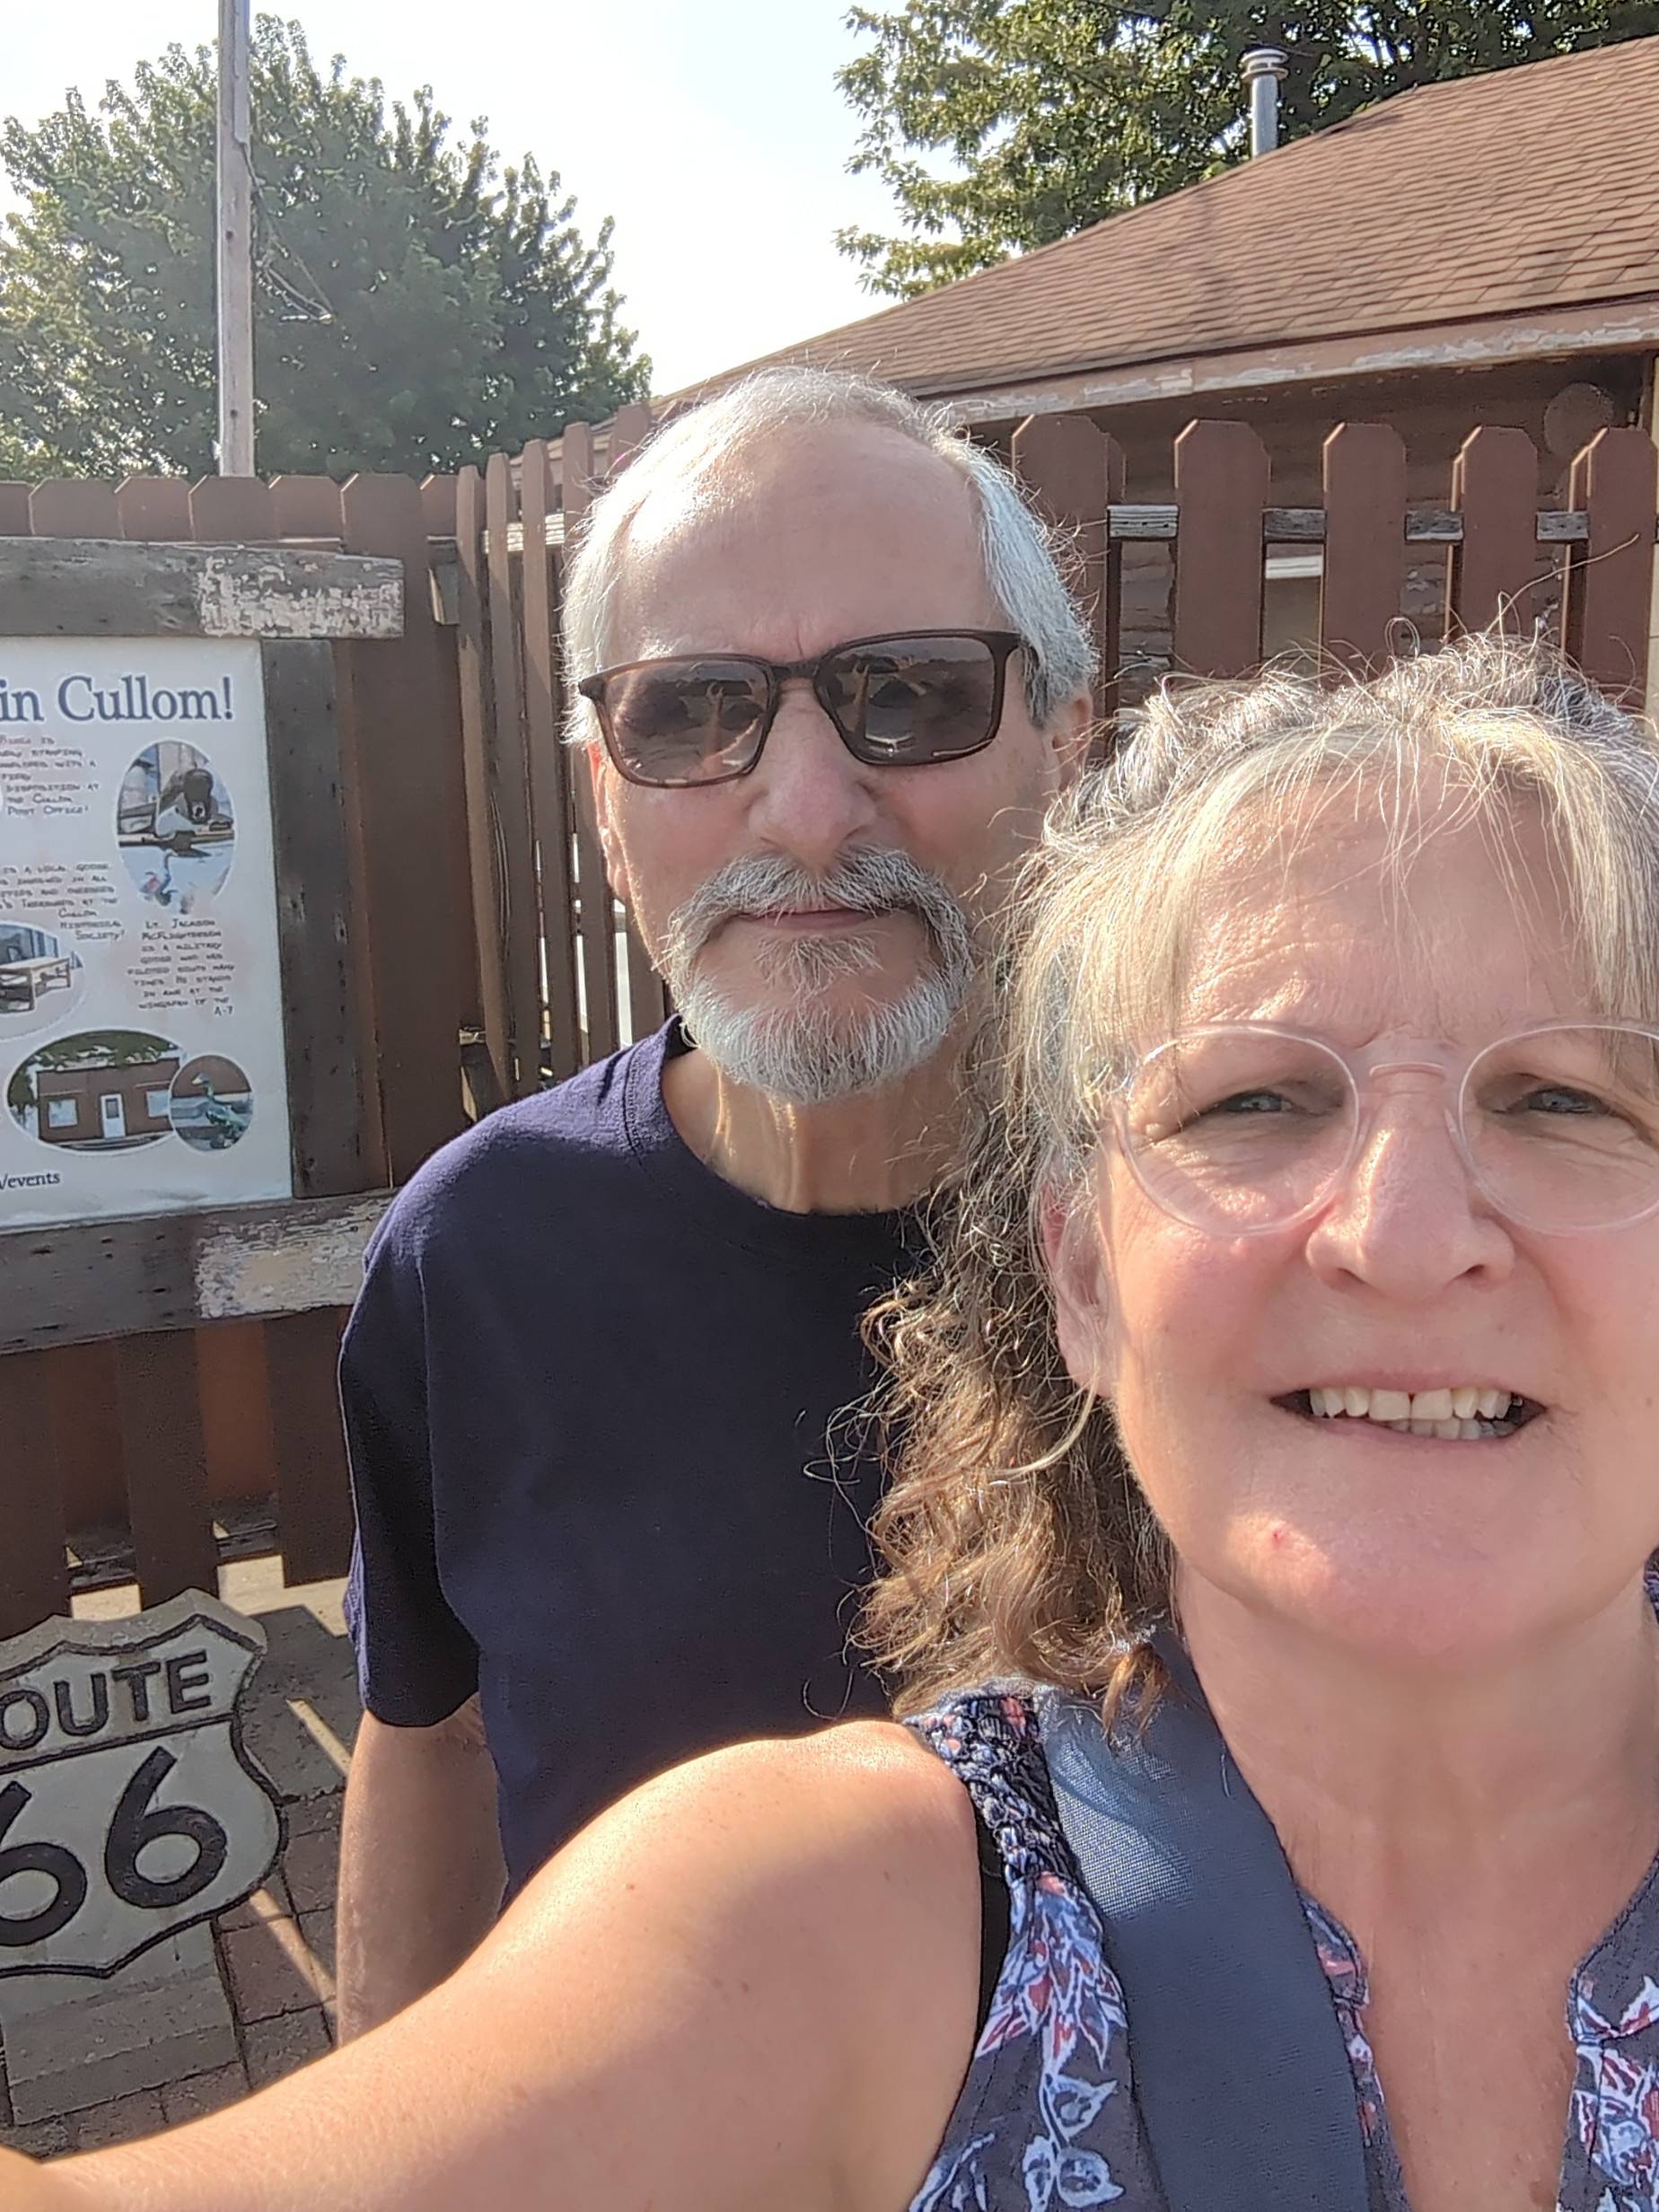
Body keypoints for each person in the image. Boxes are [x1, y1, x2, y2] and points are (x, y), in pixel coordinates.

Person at [19, 633, 1659, 2211]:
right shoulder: (833, 1921)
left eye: (1565, 1099)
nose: (1404, 1231)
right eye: (1254, 1101)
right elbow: (424, 1728)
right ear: (1082, 1272)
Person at [330, 365, 1095, 2034]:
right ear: (605, 801)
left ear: (1065, 744)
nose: (809, 813)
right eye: (690, 712)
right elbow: (429, 1737)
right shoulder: (477, 1254)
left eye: (912, 692)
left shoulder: (1223, 1245)